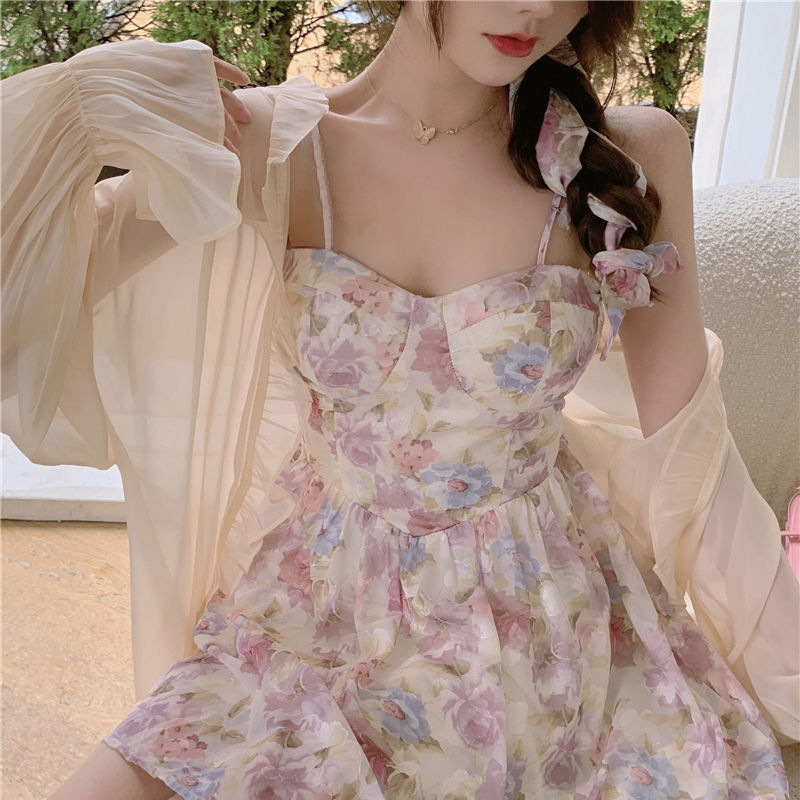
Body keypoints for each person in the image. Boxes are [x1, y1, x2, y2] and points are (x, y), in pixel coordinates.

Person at [1, 1, 796, 798]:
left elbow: (686, 442)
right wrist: (83, 106)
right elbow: (18, 311)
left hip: (548, 631)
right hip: (318, 623)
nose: (537, 7)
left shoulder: (628, 155)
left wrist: (785, 660)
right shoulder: (272, 145)